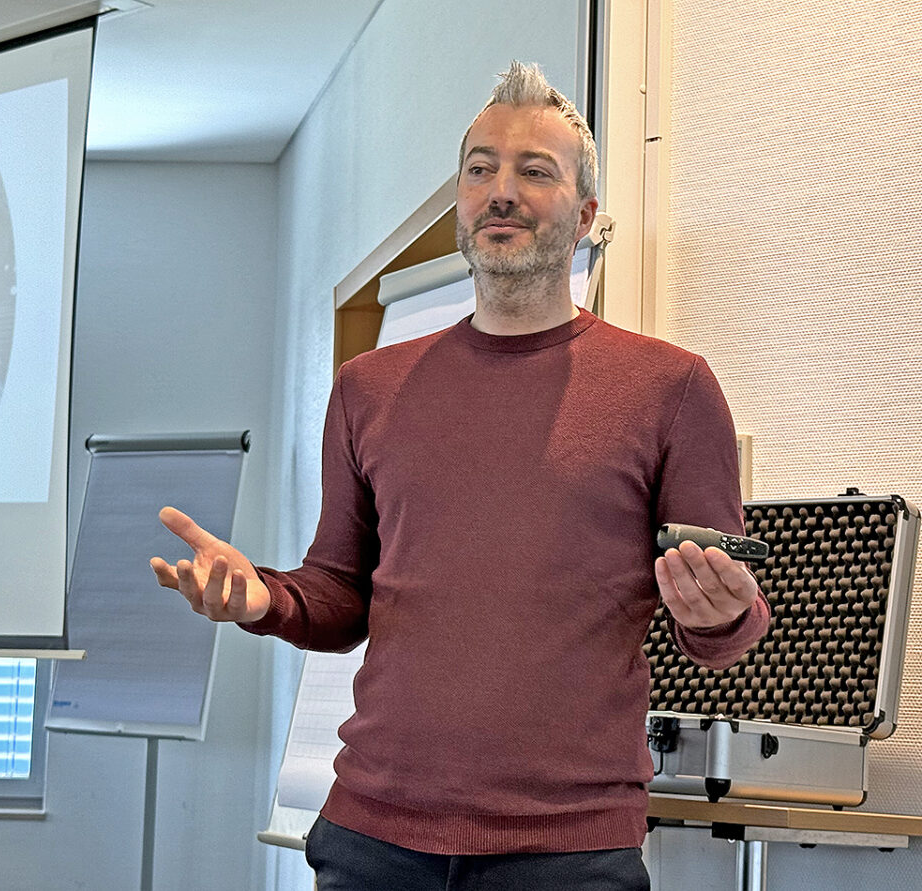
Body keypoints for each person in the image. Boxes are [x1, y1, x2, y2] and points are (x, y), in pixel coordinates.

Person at [151, 61, 769, 890]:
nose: (500, 191)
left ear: (585, 214)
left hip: (568, 853)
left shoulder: (673, 388)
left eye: (534, 171)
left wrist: (724, 613)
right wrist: (263, 598)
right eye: (480, 169)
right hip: (371, 839)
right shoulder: (368, 387)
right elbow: (341, 593)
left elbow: (724, 620)